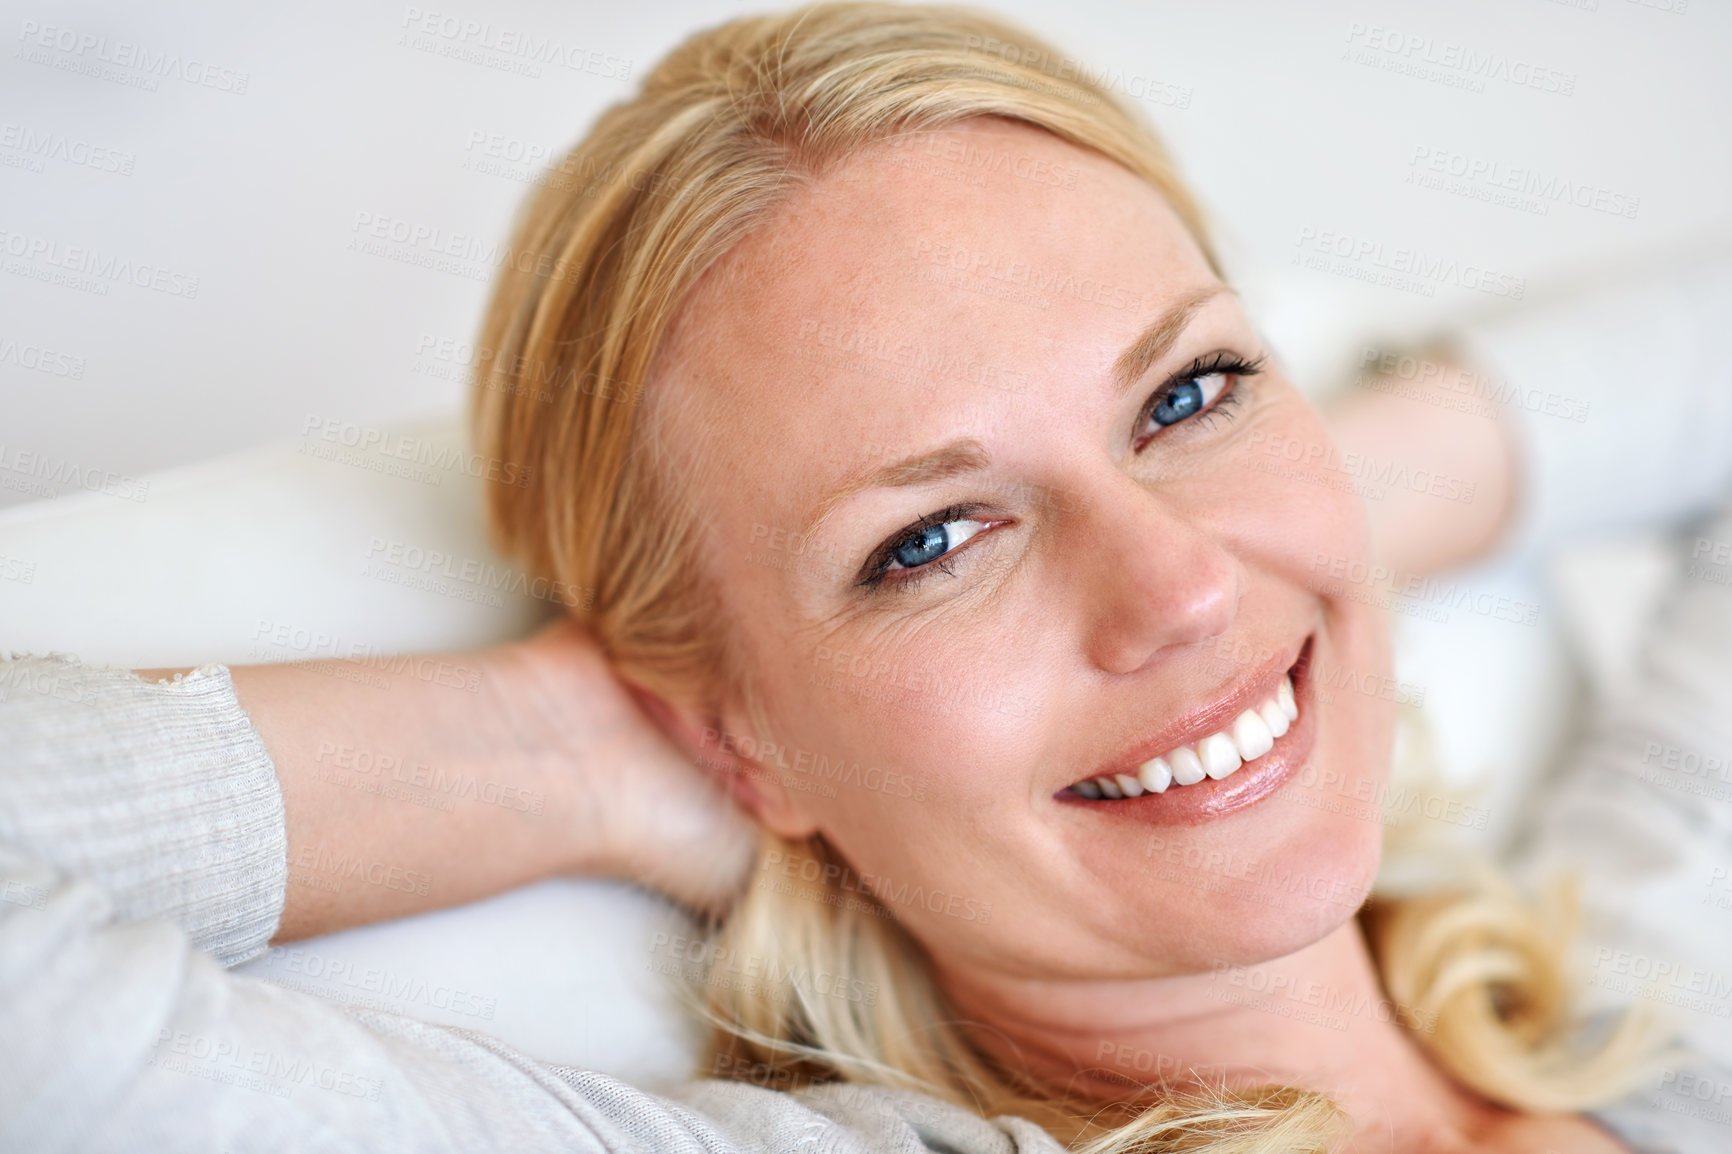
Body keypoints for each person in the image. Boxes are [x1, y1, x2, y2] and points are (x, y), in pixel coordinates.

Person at [4, 4, 1731, 1151]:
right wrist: (566, 749)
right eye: (927, 541)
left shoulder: (1661, 983)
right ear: (738, 736)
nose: (1172, 590)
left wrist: (1306, 536)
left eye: (1191, 386)